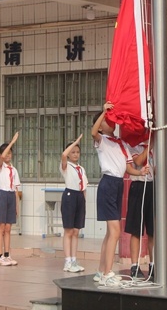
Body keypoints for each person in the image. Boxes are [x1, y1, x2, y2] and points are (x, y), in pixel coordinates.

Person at [91, 102, 149, 286]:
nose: (112, 122)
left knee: (110, 233)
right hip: (108, 184)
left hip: (118, 184)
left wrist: (140, 172)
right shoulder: (101, 140)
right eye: (107, 120)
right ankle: (107, 273)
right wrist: (104, 112)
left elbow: (128, 168)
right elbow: (93, 132)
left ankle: (101, 271)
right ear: (101, 126)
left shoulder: (121, 143)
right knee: (115, 231)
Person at [125, 142, 155, 281]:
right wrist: (149, 146)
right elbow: (138, 161)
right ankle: (135, 266)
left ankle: (153, 264)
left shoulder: (155, 147)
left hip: (151, 186)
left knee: (153, 230)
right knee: (136, 229)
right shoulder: (132, 145)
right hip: (138, 186)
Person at [60, 134, 88, 273]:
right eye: (73, 152)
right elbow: (63, 155)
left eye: (77, 152)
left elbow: (84, 187)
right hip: (69, 196)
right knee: (69, 230)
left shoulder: (81, 168)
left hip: (79, 197)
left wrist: (84, 201)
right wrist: (75, 141)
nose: (75, 154)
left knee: (76, 231)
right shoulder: (66, 166)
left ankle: (74, 260)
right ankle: (67, 261)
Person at [0, 131, 21, 266]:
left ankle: (7, 255)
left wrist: (17, 206)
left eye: (10, 153)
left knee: (9, 228)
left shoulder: (14, 170)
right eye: (6, 153)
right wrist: (12, 142)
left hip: (11, 196)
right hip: (2, 195)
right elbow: (2, 157)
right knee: (1, 226)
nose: (8, 155)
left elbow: (16, 189)